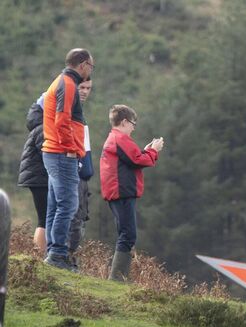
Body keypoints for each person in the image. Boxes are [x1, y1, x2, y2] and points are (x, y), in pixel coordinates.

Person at [41, 48, 94, 270]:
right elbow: (62, 120)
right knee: (68, 205)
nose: (91, 70)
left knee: (55, 205)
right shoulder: (68, 84)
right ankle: (57, 254)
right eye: (91, 66)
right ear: (83, 65)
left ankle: (53, 251)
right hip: (62, 154)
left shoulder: (61, 81)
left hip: (54, 152)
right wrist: (71, 148)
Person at [99, 105, 163, 281]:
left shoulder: (115, 138)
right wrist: (154, 150)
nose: (134, 128)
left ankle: (119, 277)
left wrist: (146, 151)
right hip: (122, 192)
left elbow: (132, 158)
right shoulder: (120, 139)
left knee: (126, 233)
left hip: (117, 192)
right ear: (125, 122)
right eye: (133, 124)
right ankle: (117, 278)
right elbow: (138, 160)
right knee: (128, 235)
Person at [68, 78, 95, 268]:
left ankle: (72, 261)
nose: (85, 91)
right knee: (73, 219)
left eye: (88, 88)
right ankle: (67, 261)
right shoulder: (68, 112)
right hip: (73, 174)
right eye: (82, 87)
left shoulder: (80, 114)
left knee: (79, 220)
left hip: (83, 176)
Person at [17, 93, 48, 254]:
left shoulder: (40, 125)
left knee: (44, 218)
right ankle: (39, 256)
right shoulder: (43, 127)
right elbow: (47, 154)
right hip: (40, 178)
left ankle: (40, 256)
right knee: (44, 219)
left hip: (37, 177)